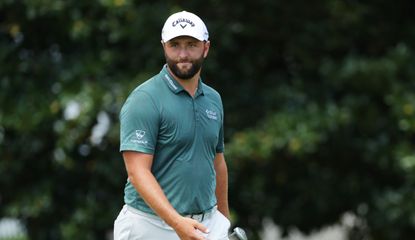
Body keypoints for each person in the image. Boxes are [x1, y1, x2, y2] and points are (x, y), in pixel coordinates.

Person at [114, 10, 231, 240]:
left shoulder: (213, 99)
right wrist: (177, 223)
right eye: (175, 45)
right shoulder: (145, 99)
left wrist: (223, 221)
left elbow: (217, 162)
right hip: (149, 224)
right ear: (163, 47)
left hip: (205, 224)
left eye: (191, 44)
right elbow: (137, 172)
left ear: (205, 48)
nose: (183, 54)